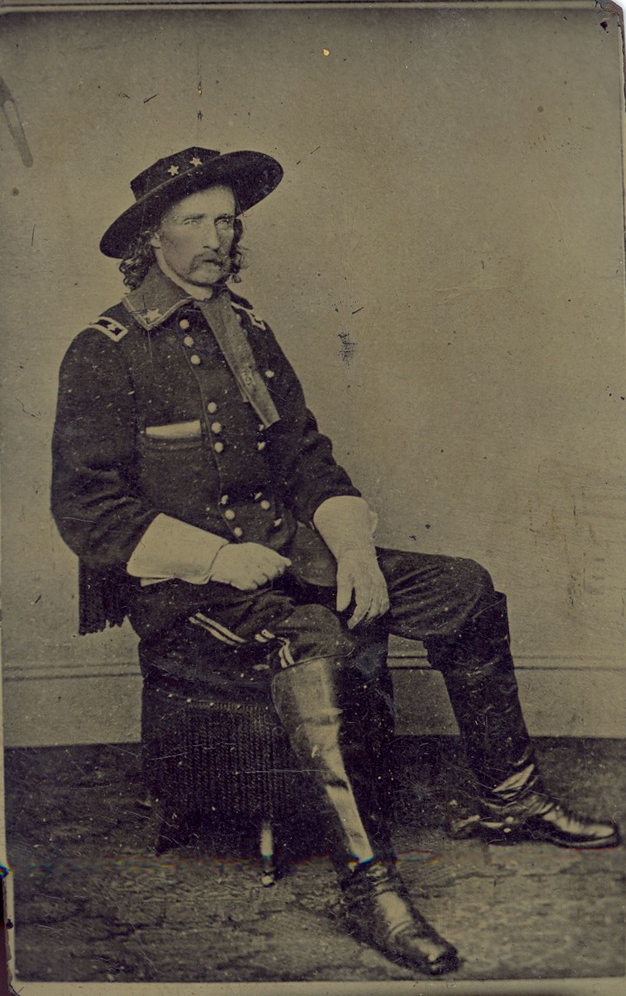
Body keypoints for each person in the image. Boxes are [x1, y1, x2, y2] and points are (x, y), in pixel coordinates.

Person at [51, 146, 620, 977]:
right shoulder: (104, 349)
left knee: (463, 590)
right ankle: (368, 886)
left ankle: (511, 797)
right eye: (194, 220)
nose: (216, 237)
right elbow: (87, 508)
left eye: (226, 220)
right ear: (152, 238)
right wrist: (216, 558)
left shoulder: (248, 329)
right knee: (315, 640)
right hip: (189, 593)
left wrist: (353, 548)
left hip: (290, 557)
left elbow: (305, 457)